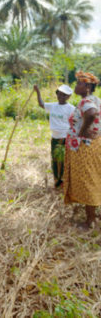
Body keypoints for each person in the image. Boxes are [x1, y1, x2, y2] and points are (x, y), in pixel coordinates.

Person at [64, 71, 101, 229]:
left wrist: (81, 132)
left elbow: (91, 114)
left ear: (87, 87)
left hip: (84, 147)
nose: (75, 86)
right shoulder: (96, 100)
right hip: (93, 145)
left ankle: (90, 221)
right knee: (94, 178)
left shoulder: (86, 101)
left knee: (87, 181)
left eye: (78, 83)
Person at [34, 84, 75, 188]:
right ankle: (57, 181)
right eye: (59, 94)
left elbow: (76, 123)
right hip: (55, 138)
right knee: (55, 160)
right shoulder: (53, 106)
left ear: (69, 97)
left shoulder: (71, 109)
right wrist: (38, 92)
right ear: (57, 94)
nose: (61, 97)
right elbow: (41, 104)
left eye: (64, 95)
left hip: (65, 138)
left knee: (64, 160)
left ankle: (64, 182)